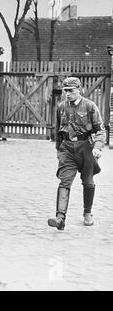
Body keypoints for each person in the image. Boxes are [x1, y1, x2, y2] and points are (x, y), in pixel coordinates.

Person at [48, 77, 105, 230]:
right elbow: (58, 131)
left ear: (79, 90)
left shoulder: (90, 106)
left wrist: (98, 147)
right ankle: (60, 218)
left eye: (71, 91)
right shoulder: (61, 107)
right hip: (67, 148)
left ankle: (87, 213)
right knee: (64, 181)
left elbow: (100, 129)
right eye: (65, 91)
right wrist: (59, 151)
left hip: (85, 148)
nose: (67, 94)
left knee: (88, 182)